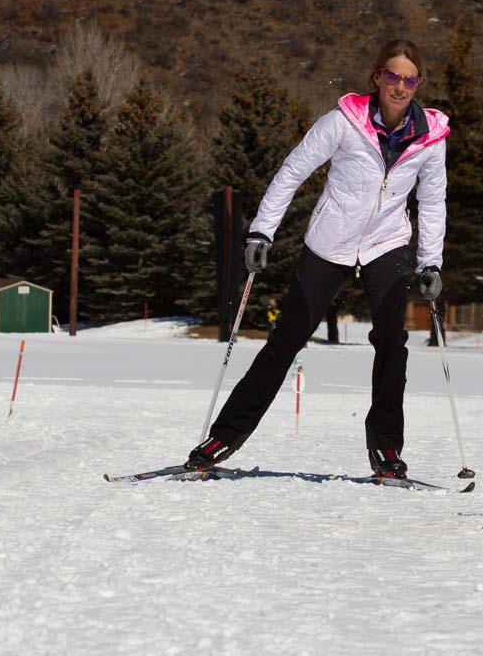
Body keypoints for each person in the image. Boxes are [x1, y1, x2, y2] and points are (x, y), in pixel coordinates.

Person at [187, 39, 448, 478]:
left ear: (417, 84)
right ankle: (222, 438)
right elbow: (292, 171)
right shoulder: (343, 122)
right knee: (286, 341)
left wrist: (430, 262)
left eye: (409, 79)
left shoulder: (430, 138)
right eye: (392, 76)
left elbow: (434, 200)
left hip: (386, 243)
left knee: (391, 343)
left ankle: (385, 449)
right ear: (376, 78)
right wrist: (261, 231)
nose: (400, 87)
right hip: (330, 243)